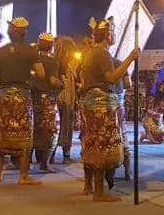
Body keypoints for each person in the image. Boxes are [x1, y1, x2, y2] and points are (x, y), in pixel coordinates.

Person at [79, 17, 139, 202]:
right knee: (102, 146)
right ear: (106, 34)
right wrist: (131, 57)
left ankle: (91, 186)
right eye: (112, 32)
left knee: (93, 144)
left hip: (92, 103)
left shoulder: (91, 53)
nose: (114, 35)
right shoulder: (102, 53)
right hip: (101, 105)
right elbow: (111, 78)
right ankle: (99, 192)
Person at [0, 17, 46, 185]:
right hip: (22, 97)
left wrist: (1, 82)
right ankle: (23, 175)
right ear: (24, 33)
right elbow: (41, 74)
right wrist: (29, 75)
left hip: (4, 96)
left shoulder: (0, 52)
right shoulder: (31, 52)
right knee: (24, 134)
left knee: (1, 132)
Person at [32, 32, 64, 172]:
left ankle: (25, 163)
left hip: (31, 99)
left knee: (31, 130)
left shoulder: (31, 59)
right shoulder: (52, 61)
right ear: (51, 47)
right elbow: (52, 80)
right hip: (47, 101)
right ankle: (44, 163)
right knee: (51, 131)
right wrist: (62, 83)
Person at [53, 36, 80, 164]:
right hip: (61, 99)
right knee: (58, 126)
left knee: (62, 126)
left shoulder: (71, 65)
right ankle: (60, 155)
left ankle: (58, 155)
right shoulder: (56, 63)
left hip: (67, 99)